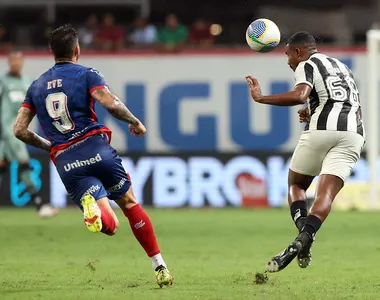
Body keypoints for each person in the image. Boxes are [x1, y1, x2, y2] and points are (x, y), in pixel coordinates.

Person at [13, 24, 173, 287]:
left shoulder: (36, 86)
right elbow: (111, 103)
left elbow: (19, 130)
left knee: (109, 225)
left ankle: (95, 210)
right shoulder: (87, 74)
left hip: (66, 161)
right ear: (77, 50)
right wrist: (135, 122)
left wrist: (50, 146)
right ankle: (160, 267)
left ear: (51, 52)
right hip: (94, 147)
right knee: (130, 204)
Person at [245, 31, 365, 272]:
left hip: (321, 131)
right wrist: (312, 111)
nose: (288, 61)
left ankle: (303, 233)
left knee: (296, 185)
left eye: (288, 54)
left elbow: (300, 95)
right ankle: (305, 238)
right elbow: (343, 103)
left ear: (298, 51)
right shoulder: (342, 67)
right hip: (353, 134)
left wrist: (261, 98)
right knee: (326, 194)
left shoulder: (307, 63)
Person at [0, 51, 58, 218]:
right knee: (24, 162)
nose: (15, 64)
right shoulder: (3, 82)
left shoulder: (26, 82)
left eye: (18, 61)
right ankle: (40, 205)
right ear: (9, 63)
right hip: (7, 131)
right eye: (12, 61)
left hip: (18, 130)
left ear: (22, 63)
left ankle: (39, 205)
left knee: (2, 166)